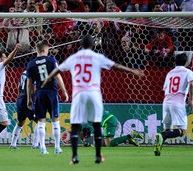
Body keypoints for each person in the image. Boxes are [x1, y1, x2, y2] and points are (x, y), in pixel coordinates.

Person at [42, 35, 144, 165]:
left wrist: (47, 79)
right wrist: (132, 71)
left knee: (75, 125)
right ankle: (98, 156)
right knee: (96, 124)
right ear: (93, 45)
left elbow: (57, 70)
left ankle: (74, 157)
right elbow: (116, 66)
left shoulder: (74, 58)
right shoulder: (97, 57)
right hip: (94, 92)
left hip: (79, 93)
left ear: (80, 44)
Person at [26, 40, 69, 154]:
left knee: (41, 122)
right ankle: (57, 147)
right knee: (55, 121)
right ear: (44, 50)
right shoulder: (51, 60)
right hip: (51, 92)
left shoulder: (31, 64)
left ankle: (43, 148)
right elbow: (58, 76)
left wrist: (29, 99)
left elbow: (29, 83)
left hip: (39, 93)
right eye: (48, 49)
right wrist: (64, 91)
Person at [154, 53, 193, 156]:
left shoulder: (170, 73)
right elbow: (191, 84)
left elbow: (165, 88)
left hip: (166, 102)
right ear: (186, 62)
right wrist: (191, 100)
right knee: (182, 131)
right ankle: (162, 136)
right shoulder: (188, 72)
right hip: (178, 103)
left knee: (166, 129)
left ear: (175, 61)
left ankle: (158, 149)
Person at [9, 70, 39, 149]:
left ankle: (13, 144)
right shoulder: (34, 72)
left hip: (20, 99)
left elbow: (19, 86)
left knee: (20, 122)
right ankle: (35, 144)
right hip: (28, 99)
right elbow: (34, 88)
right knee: (39, 121)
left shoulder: (24, 72)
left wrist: (19, 97)